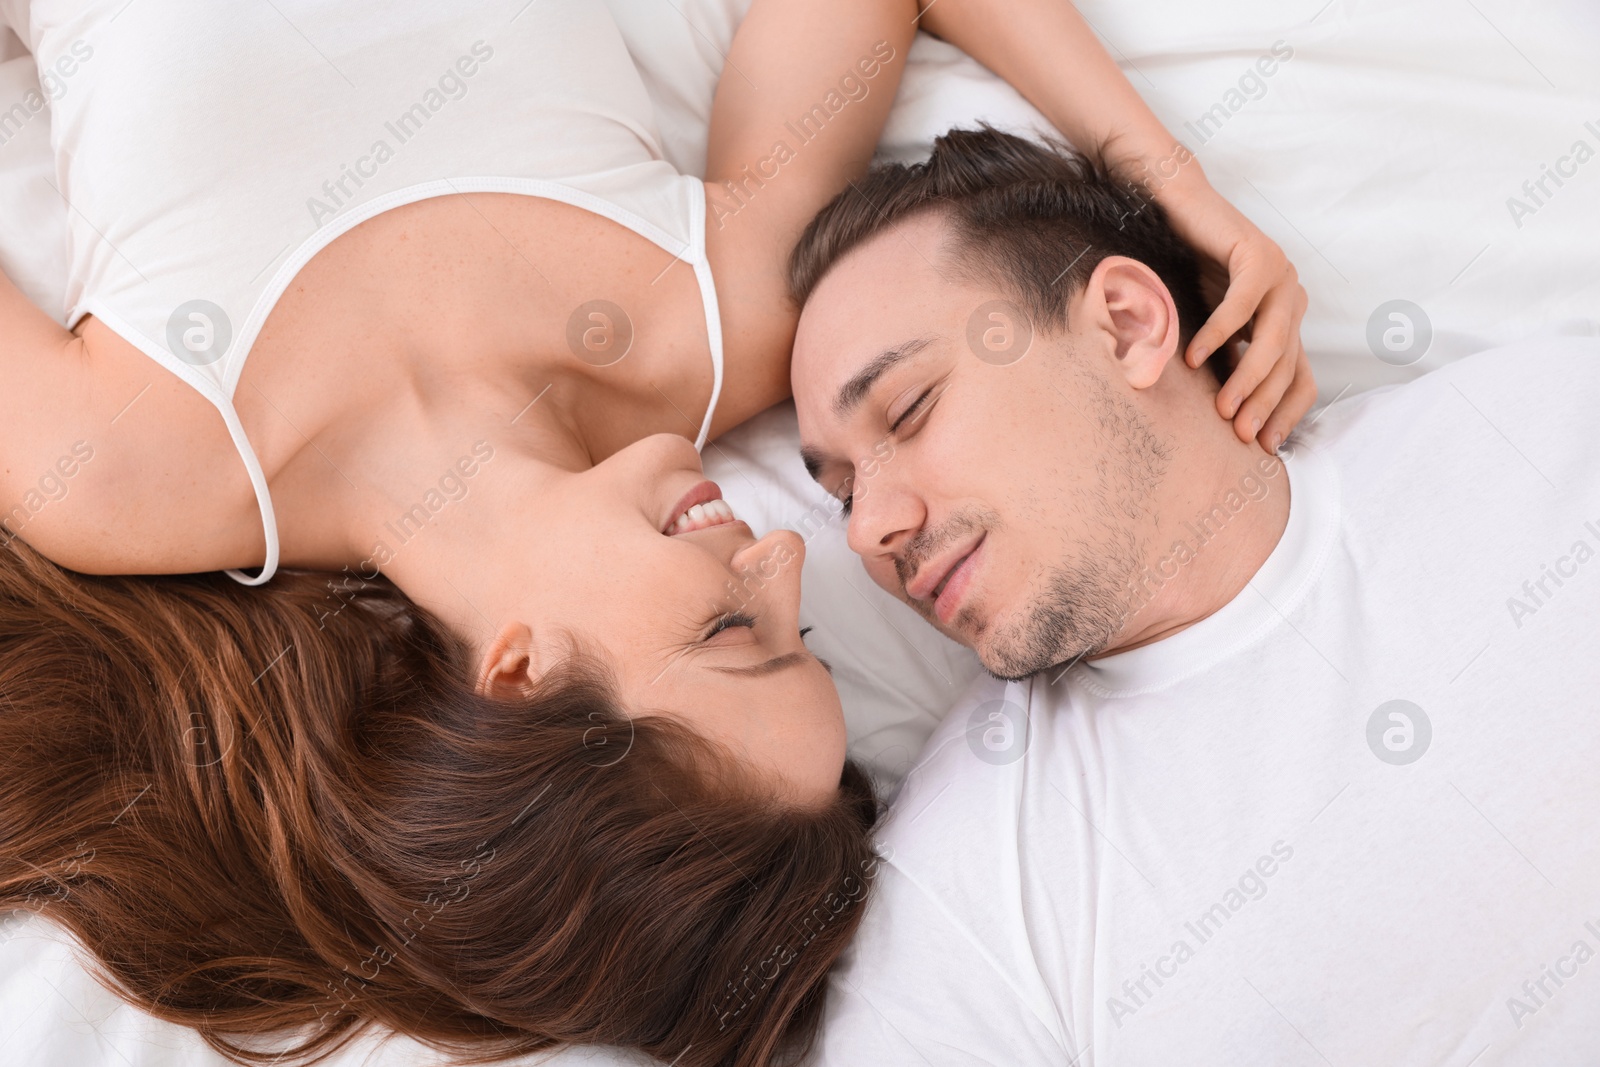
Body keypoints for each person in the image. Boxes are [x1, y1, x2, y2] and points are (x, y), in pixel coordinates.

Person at [2, 2, 1308, 1064]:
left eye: (733, 627)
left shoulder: (122, 473)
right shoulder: (715, 318)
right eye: (803, 632)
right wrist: (1176, 189)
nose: (790, 552)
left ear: (517, 668)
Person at [785, 127, 1600, 1064]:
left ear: (1127, 324)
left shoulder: (1544, 427)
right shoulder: (963, 899)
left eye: (910, 410)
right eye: (841, 490)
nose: (866, 529)